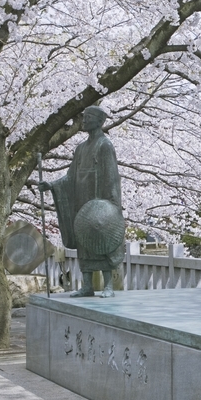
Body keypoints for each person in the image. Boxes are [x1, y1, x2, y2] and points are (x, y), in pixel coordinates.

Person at [39, 106, 125, 297]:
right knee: (84, 243)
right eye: (83, 117)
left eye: (89, 117)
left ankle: (108, 285)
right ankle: (87, 285)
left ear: (100, 121)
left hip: (100, 204)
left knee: (102, 239)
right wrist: (51, 185)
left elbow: (111, 177)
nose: (84, 120)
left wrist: (112, 207)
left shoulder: (105, 145)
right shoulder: (80, 149)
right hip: (82, 202)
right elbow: (71, 177)